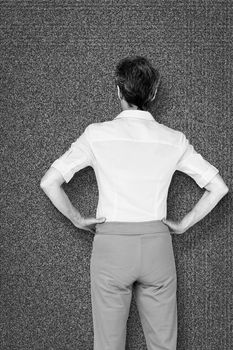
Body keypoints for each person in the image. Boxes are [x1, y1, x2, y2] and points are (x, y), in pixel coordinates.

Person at [40, 56, 229, 350]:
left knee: (108, 345)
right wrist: (182, 224)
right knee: (164, 345)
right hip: (157, 246)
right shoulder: (174, 139)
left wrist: (78, 219)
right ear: (153, 93)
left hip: (111, 247)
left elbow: (49, 182)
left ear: (118, 91)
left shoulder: (96, 134)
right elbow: (218, 187)